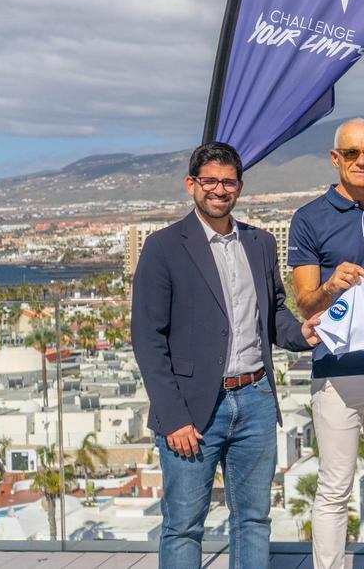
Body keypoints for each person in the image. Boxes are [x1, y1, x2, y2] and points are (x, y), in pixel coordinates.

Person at [131, 141, 319, 569]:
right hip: (194, 410)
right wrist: (174, 415)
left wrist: (301, 332)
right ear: (191, 185)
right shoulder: (163, 247)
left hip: (255, 399)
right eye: (209, 181)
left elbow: (271, 314)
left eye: (228, 181)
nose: (219, 189)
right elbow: (147, 337)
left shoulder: (260, 243)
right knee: (183, 525)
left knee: (253, 520)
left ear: (240, 186)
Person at [289, 118, 364, 569]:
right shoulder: (307, 218)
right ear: (335, 158)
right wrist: (331, 287)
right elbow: (305, 305)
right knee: (335, 484)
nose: (362, 161)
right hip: (335, 370)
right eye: (353, 153)